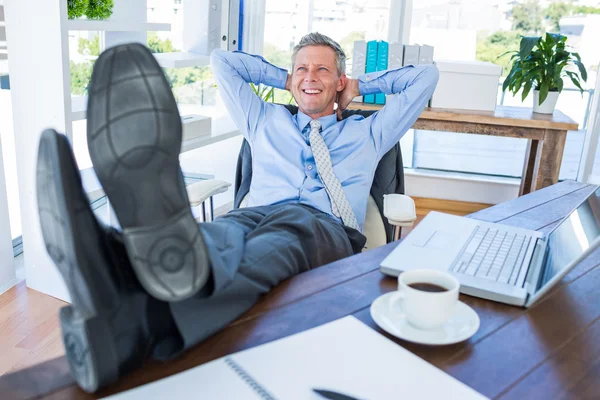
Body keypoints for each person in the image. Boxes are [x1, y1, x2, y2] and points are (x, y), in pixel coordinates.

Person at [36, 32, 438, 392]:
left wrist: (360, 86)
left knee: (289, 227)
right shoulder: (263, 118)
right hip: (252, 214)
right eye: (301, 69)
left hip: (328, 227)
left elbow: (426, 77)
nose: (310, 76)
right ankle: (129, 297)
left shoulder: (370, 132)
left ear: (340, 81)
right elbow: (222, 61)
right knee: (224, 230)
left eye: (322, 70)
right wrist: (285, 77)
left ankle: (118, 261)